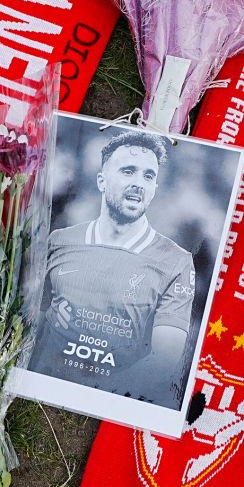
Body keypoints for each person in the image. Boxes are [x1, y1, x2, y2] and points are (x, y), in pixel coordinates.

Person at [29, 129, 196, 408]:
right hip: (41, 385)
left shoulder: (176, 261)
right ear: (101, 181)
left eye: (148, 176)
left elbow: (166, 359)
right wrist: (47, 316)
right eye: (128, 171)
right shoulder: (59, 241)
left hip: (112, 401)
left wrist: (92, 392)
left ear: (155, 188)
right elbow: (30, 315)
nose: (139, 184)